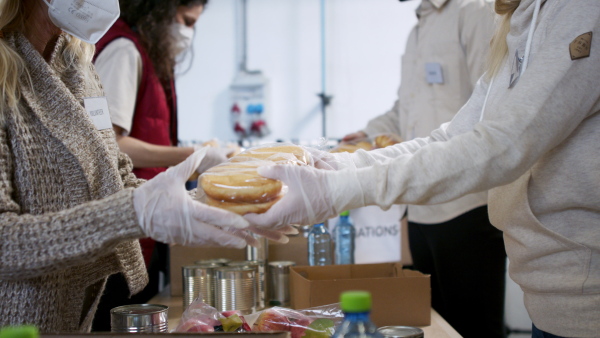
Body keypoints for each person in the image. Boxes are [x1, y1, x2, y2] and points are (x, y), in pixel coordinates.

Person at [246, 1, 600, 337]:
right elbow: (447, 134)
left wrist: (339, 189)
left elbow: (502, 143)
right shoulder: (515, 17)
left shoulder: (574, 10)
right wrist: (338, 165)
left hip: (576, 289)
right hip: (543, 285)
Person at [0, 0, 290, 332]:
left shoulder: (76, 63)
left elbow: (115, 169)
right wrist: (136, 212)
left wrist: (204, 204)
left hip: (77, 311)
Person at [341, 1, 505, 336]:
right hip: (419, 209)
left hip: (466, 206)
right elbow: (407, 106)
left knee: (473, 326)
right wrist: (371, 131)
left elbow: (491, 104)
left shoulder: (474, 12)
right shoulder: (418, 29)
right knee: (435, 326)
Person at [92, 1, 224, 325]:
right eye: (186, 20)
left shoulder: (146, 55)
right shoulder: (124, 51)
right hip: (121, 228)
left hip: (142, 226)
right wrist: (194, 156)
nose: (187, 32)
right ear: (161, 10)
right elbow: (111, 144)